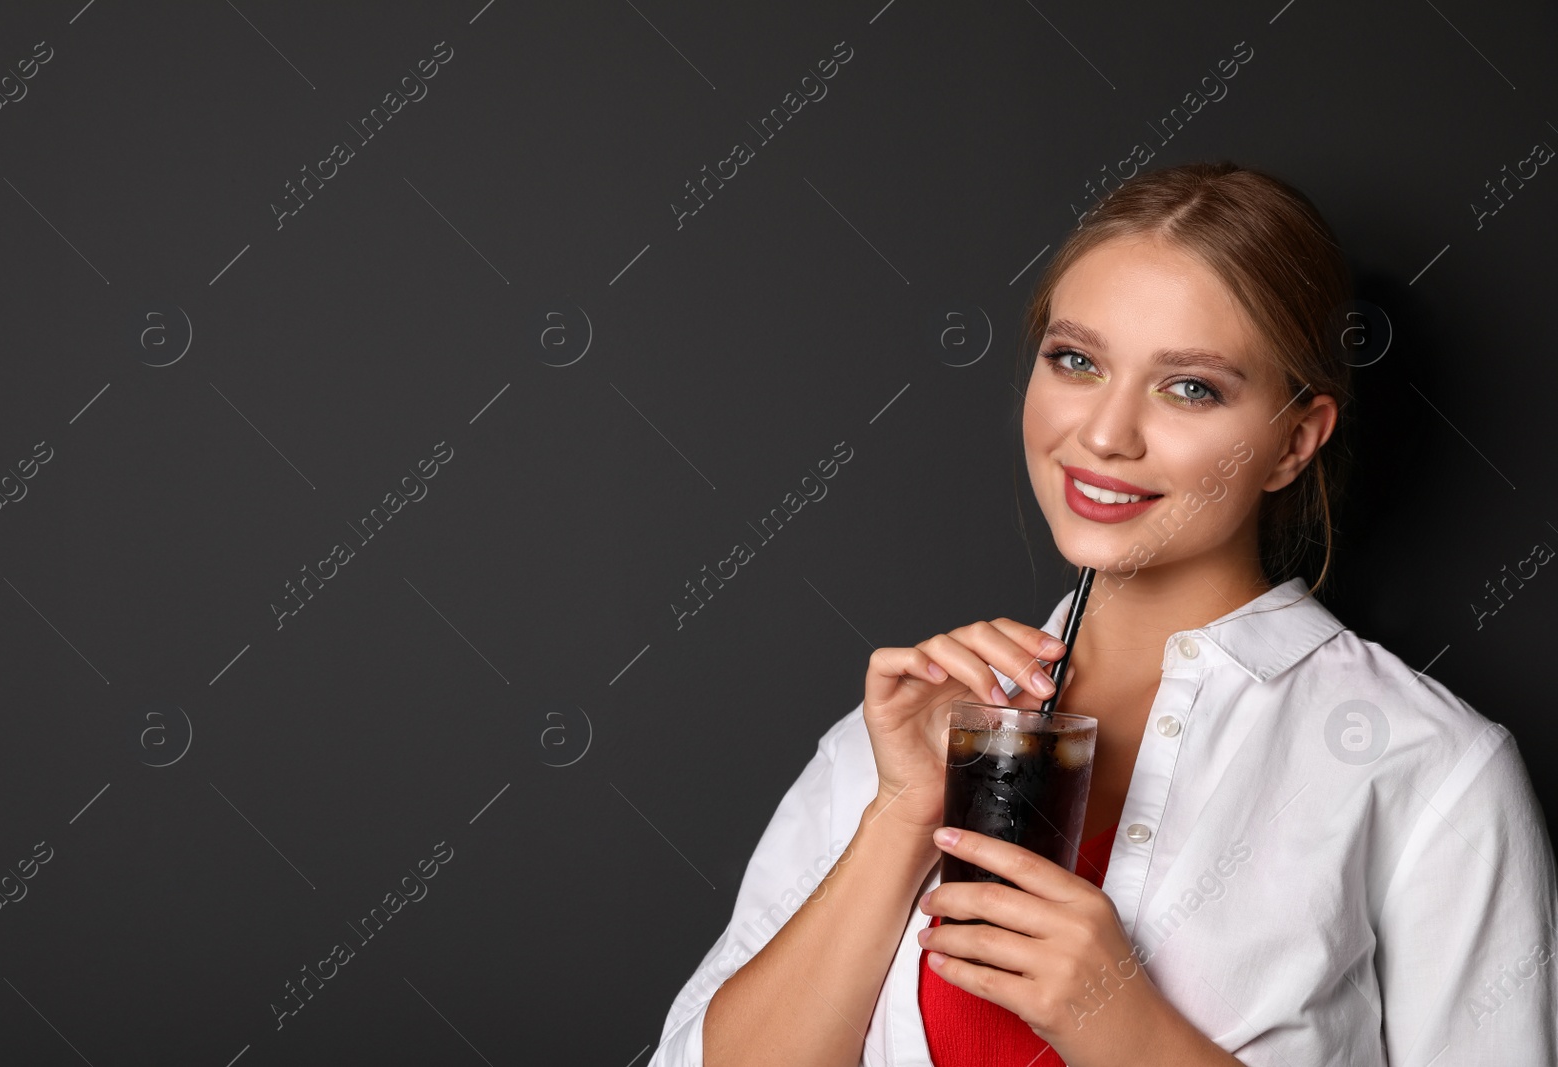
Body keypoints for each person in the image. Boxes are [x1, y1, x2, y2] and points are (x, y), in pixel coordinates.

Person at [646, 160, 1558, 1066]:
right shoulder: (908, 729)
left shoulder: (1427, 768)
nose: (1106, 435)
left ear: (1294, 440)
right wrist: (898, 813)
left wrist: (1124, 1025)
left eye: (1190, 386)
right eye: (1077, 361)